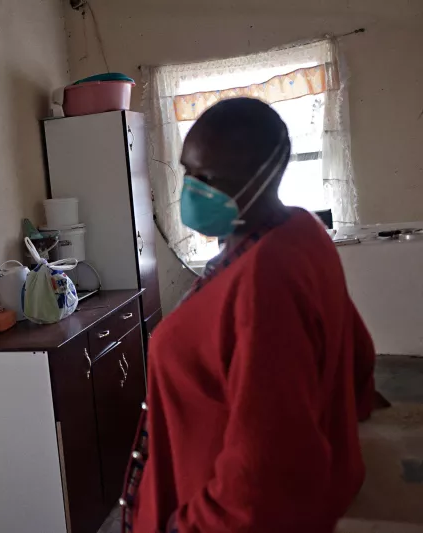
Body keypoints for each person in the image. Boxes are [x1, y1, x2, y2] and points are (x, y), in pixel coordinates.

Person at [121, 98, 377, 533]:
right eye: (187, 171)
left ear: (264, 177)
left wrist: (192, 525)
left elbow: (264, 472)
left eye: (208, 178)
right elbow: (357, 349)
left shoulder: (267, 280)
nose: (191, 189)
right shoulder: (298, 229)